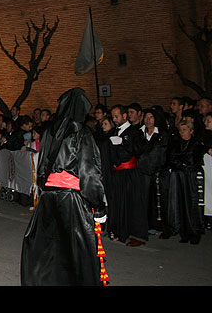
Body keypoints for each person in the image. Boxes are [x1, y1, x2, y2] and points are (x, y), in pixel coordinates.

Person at [21, 88, 107, 286]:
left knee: (50, 247)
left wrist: (46, 188)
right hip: (72, 198)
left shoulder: (50, 131)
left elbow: (42, 166)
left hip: (50, 197)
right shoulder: (81, 132)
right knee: (76, 251)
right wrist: (99, 205)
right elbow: (89, 170)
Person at [107, 104, 147, 246]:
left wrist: (123, 142)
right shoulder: (113, 131)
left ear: (124, 116)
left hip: (129, 173)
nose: (114, 119)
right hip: (116, 173)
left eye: (116, 116)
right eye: (113, 117)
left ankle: (137, 235)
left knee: (132, 203)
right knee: (117, 203)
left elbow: (139, 148)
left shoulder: (135, 132)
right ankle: (118, 231)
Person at [165, 119, 205, 244]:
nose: (182, 133)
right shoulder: (177, 143)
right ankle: (183, 232)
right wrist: (181, 162)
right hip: (179, 176)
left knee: (192, 204)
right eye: (180, 130)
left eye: (185, 130)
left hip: (191, 177)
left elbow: (193, 159)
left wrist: (182, 162)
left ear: (191, 131)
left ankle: (195, 232)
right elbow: (171, 158)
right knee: (180, 203)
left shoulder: (197, 144)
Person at [138, 108, 170, 236]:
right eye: (146, 117)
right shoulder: (139, 133)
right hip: (143, 172)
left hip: (158, 173)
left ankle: (161, 227)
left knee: (159, 202)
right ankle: (147, 225)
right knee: (145, 200)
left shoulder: (163, 135)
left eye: (151, 117)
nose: (148, 120)